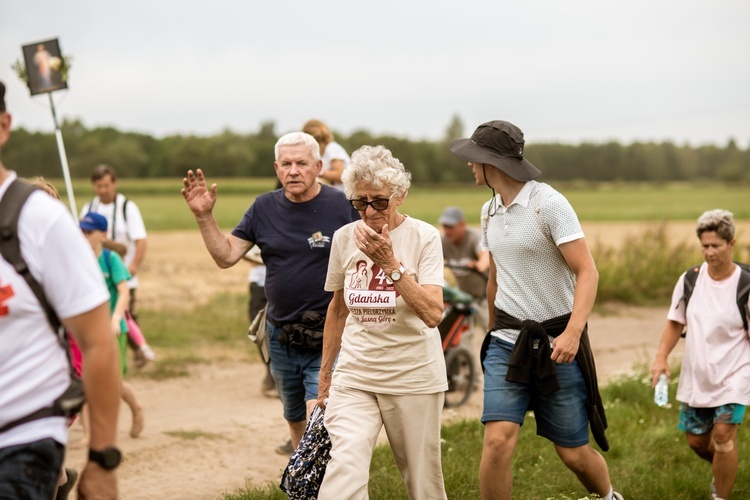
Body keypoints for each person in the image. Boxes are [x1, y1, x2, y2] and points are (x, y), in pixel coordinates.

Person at [450, 120, 622, 500]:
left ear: (490, 163)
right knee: (497, 441)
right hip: (506, 342)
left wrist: (573, 333)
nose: (468, 165)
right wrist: (492, 333)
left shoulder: (550, 204)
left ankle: (609, 496)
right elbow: (495, 279)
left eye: (473, 159)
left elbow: (587, 271)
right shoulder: (488, 210)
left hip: (558, 342)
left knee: (573, 453)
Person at [182, 131, 359, 453]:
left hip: (330, 334)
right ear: (277, 168)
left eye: (302, 163)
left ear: (318, 166)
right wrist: (204, 216)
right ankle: (304, 481)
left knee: (320, 413)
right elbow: (226, 256)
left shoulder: (341, 206)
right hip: (280, 337)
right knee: (294, 418)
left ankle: (324, 484)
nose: (294, 171)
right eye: (287, 164)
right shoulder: (263, 207)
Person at [0, 80, 121, 499]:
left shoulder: (41, 221)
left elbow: (98, 341)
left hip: (21, 435)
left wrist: (103, 459)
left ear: (3, 126)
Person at [317, 145, 448, 499]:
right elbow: (338, 309)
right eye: (360, 202)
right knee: (344, 467)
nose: (369, 211)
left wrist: (391, 265)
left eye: (379, 201)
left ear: (400, 196)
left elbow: (434, 313)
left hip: (413, 376)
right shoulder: (345, 238)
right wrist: (326, 376)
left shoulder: (424, 237)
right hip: (356, 375)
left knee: (422, 483)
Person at [650, 209, 750, 500]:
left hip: (735, 374)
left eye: (716, 246)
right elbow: (675, 321)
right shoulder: (690, 280)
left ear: (731, 244)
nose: (709, 252)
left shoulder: (745, 286)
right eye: (704, 246)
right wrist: (660, 358)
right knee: (697, 442)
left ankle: (720, 495)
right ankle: (725, 467)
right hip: (699, 375)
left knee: (722, 437)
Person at [81, 164, 155, 367]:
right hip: (98, 274)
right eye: (98, 186)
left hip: (121, 270)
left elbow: (140, 240)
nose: (103, 190)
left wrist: (133, 265)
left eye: (106, 185)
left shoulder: (127, 207)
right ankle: (137, 349)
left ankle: (137, 349)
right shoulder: (89, 209)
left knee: (125, 312)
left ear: (114, 183)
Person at [80, 212, 145, 441]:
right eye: (81, 231)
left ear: (103, 234)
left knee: (110, 382)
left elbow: (124, 291)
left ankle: (135, 406)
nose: (84, 236)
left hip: (113, 329)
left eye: (89, 232)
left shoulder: (111, 259)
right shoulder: (79, 260)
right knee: (84, 381)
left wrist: (116, 318)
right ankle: (90, 435)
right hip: (86, 330)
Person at [439, 205, 490, 332]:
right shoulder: (444, 241)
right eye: (445, 227)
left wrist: (479, 266)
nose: (447, 231)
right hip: (463, 297)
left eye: (451, 227)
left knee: (490, 330)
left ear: (462, 224)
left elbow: (486, 255)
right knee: (460, 335)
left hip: (484, 297)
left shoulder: (473, 237)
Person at [302, 119, 350, 190]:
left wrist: (318, 172)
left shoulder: (332, 148)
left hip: (344, 194)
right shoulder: (319, 152)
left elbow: (340, 175)